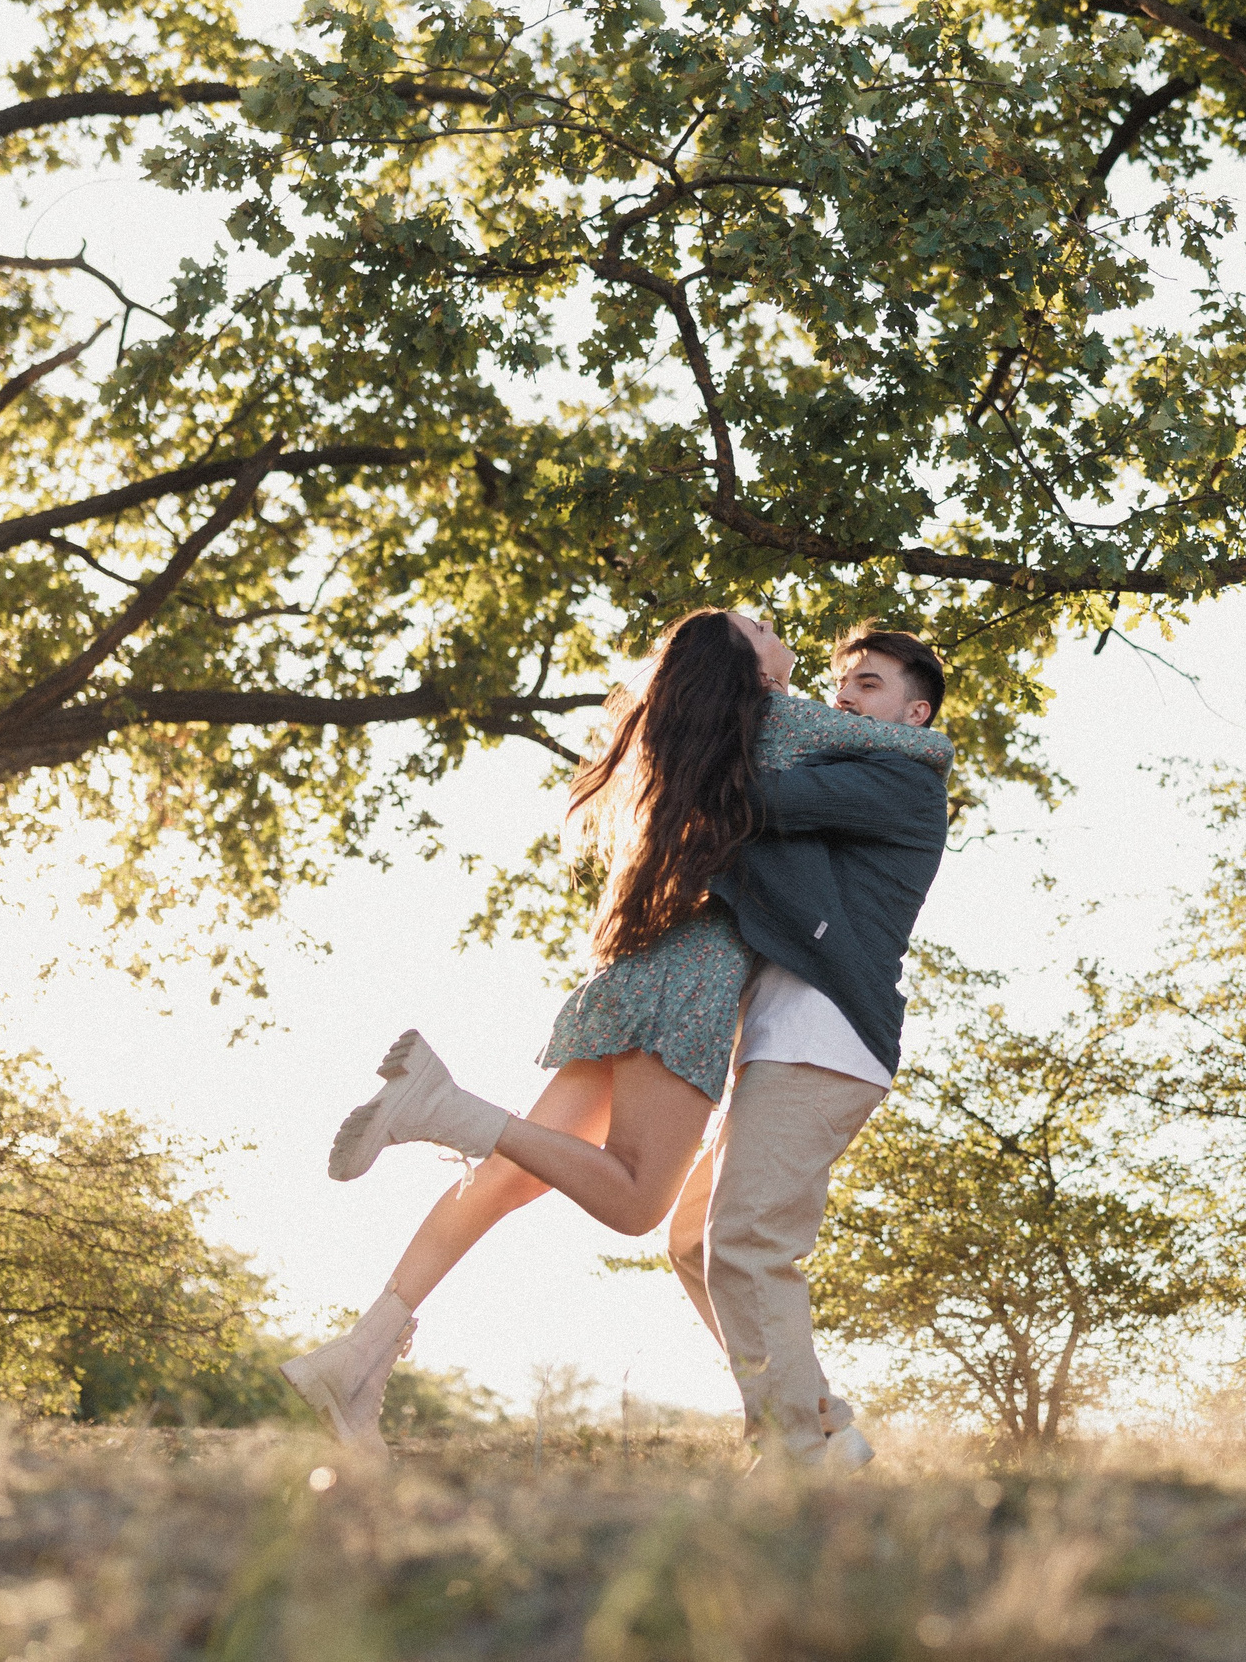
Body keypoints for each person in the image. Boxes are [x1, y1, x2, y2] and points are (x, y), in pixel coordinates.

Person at [281, 609, 953, 1454]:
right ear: (746, 669)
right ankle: (803, 1441)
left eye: (868, 684)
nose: (838, 692)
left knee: (527, 1181)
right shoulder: (773, 723)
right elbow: (853, 764)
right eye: (776, 634)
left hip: (648, 969)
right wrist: (915, 740)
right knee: (647, 1206)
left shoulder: (713, 731)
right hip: (697, 978)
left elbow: (793, 794)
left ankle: (361, 1354)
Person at [667, 627, 952, 1472]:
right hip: (777, 1039)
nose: (844, 697)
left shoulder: (903, 777)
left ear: (913, 710)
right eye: (837, 685)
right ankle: (822, 1425)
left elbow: (763, 803)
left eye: (865, 683)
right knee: (693, 1241)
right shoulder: (833, 768)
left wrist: (738, 693)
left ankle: (795, 1456)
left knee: (750, 1240)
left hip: (827, 1036)